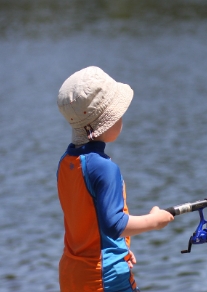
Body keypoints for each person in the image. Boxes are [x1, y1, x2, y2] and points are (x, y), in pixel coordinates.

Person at [56, 66, 174, 292]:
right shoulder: (104, 168)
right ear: (106, 121)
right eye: (118, 113)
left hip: (72, 273)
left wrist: (117, 247)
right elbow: (115, 224)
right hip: (104, 278)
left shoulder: (66, 162)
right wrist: (155, 221)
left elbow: (87, 220)